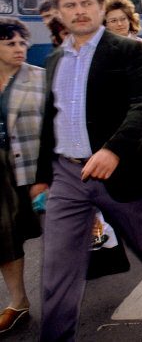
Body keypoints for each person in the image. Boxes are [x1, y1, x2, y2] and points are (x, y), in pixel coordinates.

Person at [34, 0, 142, 340]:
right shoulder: (56, 59)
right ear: (59, 13)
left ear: (100, 8)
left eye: (86, 3)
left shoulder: (127, 50)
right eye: (70, 5)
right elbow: (49, 118)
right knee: (58, 268)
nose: (79, 11)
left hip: (121, 170)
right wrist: (42, 175)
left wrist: (112, 150)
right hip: (68, 174)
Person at [0, 18, 44, 335]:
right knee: (4, 238)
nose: (19, 48)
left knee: (56, 238)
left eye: (21, 42)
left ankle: (62, 300)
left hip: (33, 168)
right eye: (10, 43)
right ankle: (18, 302)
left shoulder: (40, 78)